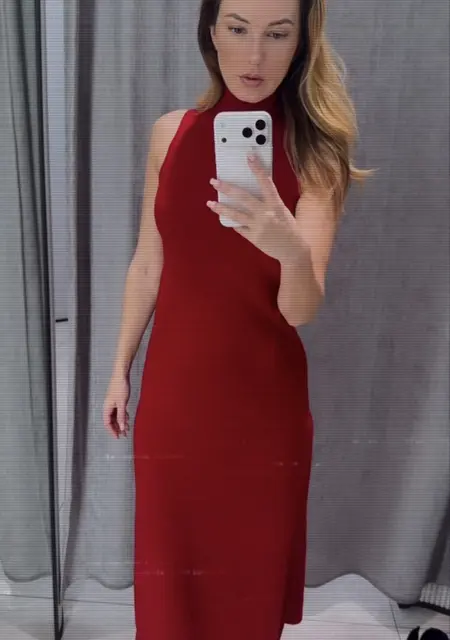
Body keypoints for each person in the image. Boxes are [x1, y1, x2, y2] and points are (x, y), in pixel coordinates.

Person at [103, 0, 370, 638]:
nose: (254, 57)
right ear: (211, 31)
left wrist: (287, 248)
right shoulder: (171, 134)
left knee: (245, 592)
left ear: (302, 41)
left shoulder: (315, 152)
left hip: (262, 411)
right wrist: (119, 369)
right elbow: (149, 260)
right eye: (238, 29)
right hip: (174, 400)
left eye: (277, 34)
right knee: (170, 585)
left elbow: (300, 309)